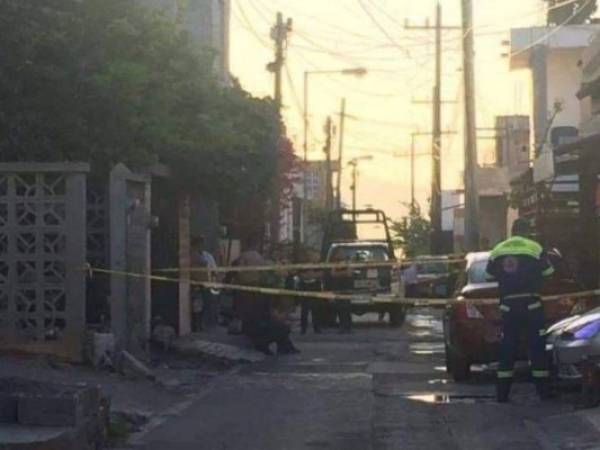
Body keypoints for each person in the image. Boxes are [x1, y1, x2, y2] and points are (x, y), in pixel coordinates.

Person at [485, 218, 555, 403]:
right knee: (537, 347)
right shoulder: (535, 247)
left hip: (508, 306)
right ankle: (543, 393)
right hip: (531, 305)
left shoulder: (499, 249)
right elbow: (549, 273)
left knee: (507, 347)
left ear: (513, 231)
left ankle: (502, 394)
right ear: (527, 231)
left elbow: (488, 274)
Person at [237, 235, 299, 355]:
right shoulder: (260, 290)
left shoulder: (254, 290)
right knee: (282, 328)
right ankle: (269, 345)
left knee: (281, 326)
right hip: (257, 326)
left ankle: (285, 347)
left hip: (257, 321)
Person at [190, 235, 218, 331]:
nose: (201, 246)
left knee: (206, 304)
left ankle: (203, 324)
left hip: (206, 284)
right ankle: (196, 325)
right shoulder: (192, 255)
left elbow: (214, 270)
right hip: (195, 284)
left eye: (202, 244)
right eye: (199, 244)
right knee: (196, 306)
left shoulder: (208, 256)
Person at [299, 250, 323, 334]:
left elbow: (320, 274)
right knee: (304, 310)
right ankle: (303, 328)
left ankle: (317, 328)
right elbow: (302, 276)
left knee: (316, 309)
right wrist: (310, 275)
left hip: (315, 287)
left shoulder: (319, 265)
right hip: (305, 287)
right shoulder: (302, 264)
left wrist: (311, 275)